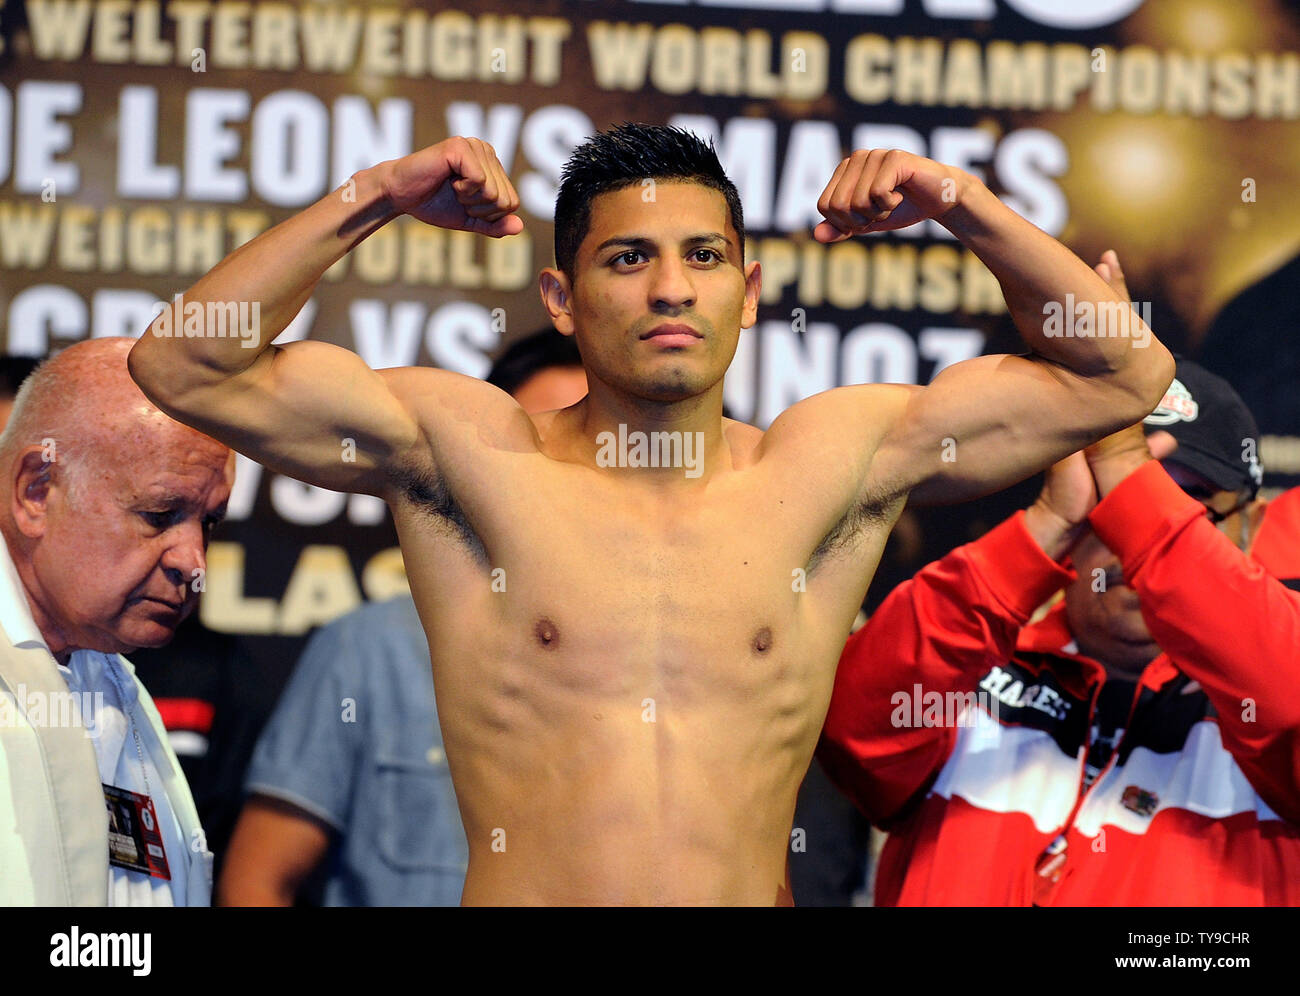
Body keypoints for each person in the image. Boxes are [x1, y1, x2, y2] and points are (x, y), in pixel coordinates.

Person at [128, 125, 1172, 905]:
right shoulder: (470, 454)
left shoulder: (834, 464)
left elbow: (1124, 375)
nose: (671, 289)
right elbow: (184, 364)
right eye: (627, 259)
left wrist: (961, 200)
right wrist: (375, 194)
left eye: (703, 257)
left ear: (749, 291)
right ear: (560, 297)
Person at [818, 347, 1300, 905]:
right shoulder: (971, 665)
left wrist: (1127, 473)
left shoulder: (1265, 699)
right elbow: (851, 731)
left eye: (1185, 500)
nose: (1132, 531)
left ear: (1252, 523)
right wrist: (1044, 527)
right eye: (1107, 495)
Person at [219, 329, 586, 906]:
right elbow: (258, 882)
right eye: (540, 449)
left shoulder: (703, 658)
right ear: (473, 470)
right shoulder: (369, 650)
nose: (567, 481)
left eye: (595, 451)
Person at [0, 338, 234, 905]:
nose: (193, 561)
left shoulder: (112, 678)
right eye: (160, 515)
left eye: (208, 523)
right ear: (37, 491)